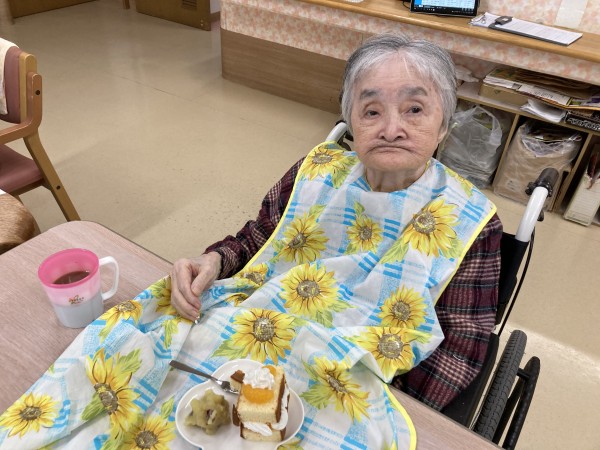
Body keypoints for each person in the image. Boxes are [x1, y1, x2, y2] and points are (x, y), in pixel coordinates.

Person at [170, 33, 502, 412]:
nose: (391, 129)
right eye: (372, 111)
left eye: (414, 109)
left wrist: (386, 412)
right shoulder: (316, 173)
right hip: (258, 333)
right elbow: (260, 238)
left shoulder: (469, 219)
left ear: (443, 125)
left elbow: (461, 345)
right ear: (351, 121)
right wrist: (214, 260)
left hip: (361, 386)